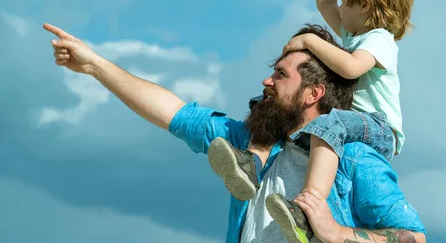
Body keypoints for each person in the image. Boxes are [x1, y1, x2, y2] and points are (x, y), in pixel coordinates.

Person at [44, 22, 426, 243]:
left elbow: (416, 239)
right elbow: (172, 112)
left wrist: (338, 233)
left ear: (314, 93)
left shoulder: (355, 158)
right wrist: (95, 66)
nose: (266, 80)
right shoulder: (247, 146)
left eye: (280, 75)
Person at [208, 0, 417, 241]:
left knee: (328, 124)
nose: (341, 8)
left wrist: (308, 40)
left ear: (367, 7)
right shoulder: (355, 32)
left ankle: (309, 205)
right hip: (351, 121)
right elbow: (325, 2)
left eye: (348, 2)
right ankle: (251, 164)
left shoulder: (379, 40)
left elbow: (350, 68)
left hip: (378, 126)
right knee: (273, 112)